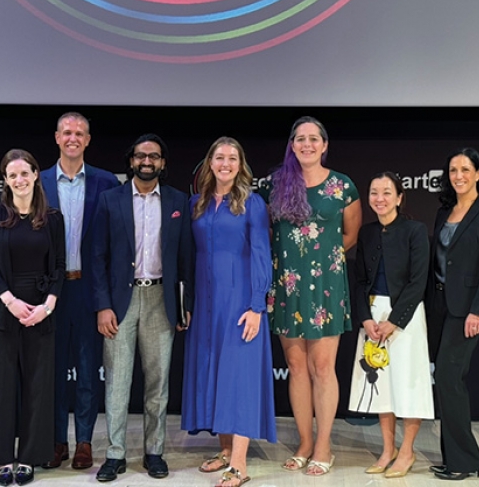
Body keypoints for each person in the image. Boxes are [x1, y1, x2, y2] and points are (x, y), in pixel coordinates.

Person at [259, 116, 361, 476]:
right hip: (286, 286)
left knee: (322, 368)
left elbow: (350, 235)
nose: (307, 144)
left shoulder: (342, 186)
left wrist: (319, 263)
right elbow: (269, 235)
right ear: (292, 145)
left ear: (324, 144)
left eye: (313, 138)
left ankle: (323, 444)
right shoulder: (275, 185)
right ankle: (304, 442)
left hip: (326, 288)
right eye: (300, 139)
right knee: (297, 368)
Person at [92, 133, 194, 483]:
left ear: (163, 162)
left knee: (158, 384)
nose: (146, 161)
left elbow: (186, 260)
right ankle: (115, 454)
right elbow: (98, 258)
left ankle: (154, 452)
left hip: (161, 299)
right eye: (140, 155)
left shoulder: (179, 201)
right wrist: (103, 306)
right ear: (131, 160)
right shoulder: (110, 200)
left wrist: (185, 305)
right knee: (117, 385)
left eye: (153, 156)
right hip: (120, 302)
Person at [182, 137, 276, 487]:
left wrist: (256, 307)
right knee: (213, 374)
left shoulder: (252, 203)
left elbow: (262, 254)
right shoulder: (197, 203)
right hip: (206, 304)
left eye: (232, 158)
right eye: (219, 157)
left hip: (239, 301)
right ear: (209, 163)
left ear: (241, 165)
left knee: (239, 378)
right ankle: (223, 450)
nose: (225, 163)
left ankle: (239, 464)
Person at [0, 149, 65, 486]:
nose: (18, 180)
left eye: (24, 173)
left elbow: (59, 265)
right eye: (11, 175)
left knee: (38, 387)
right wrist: (10, 301)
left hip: (42, 311)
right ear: (5, 180)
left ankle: (30, 457)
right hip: (2, 309)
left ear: (35, 175)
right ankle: (0, 458)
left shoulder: (53, 217)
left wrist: (48, 305)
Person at [41, 112, 119, 470]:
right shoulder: (38, 182)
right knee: (54, 371)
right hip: (50, 293)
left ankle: (84, 441)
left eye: (80, 133)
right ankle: (57, 440)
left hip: (90, 290)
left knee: (88, 371)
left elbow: (116, 244)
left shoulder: (106, 183)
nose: (73, 138)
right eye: (67, 132)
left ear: (88, 140)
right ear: (57, 138)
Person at [348, 172, 433, 478]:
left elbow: (417, 282)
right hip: (372, 316)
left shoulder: (414, 230)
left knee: (408, 385)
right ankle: (388, 450)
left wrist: (394, 321)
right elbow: (358, 280)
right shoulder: (367, 233)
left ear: (399, 197)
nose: (379, 199)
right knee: (381, 387)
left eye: (386, 192)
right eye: (374, 192)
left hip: (405, 317)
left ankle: (407, 451)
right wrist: (366, 318)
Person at [426, 148, 479, 481]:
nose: (458, 176)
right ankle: (454, 457)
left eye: (465, 169)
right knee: (446, 382)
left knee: (448, 377)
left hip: (467, 310)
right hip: (440, 306)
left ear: (477, 173)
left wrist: (477, 310)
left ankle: (465, 460)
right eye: (453, 170)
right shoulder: (444, 210)